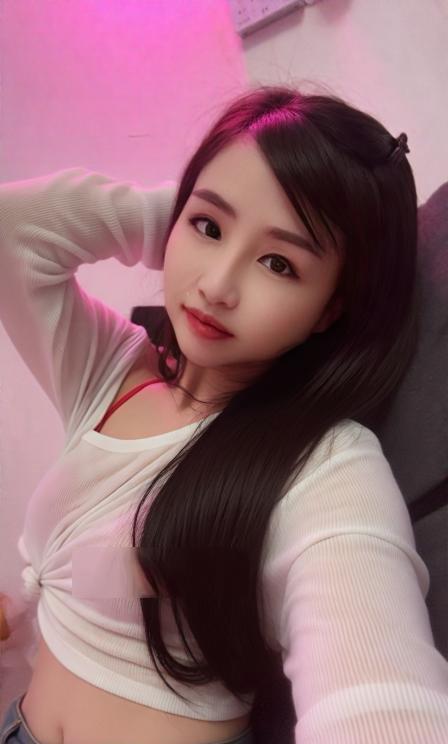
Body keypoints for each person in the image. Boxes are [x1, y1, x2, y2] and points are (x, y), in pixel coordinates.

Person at [0, 84, 447, 744]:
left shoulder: (325, 462)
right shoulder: (111, 372)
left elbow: (379, 692)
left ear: (330, 308)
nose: (216, 286)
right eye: (207, 228)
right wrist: (201, 205)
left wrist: (224, 213)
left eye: (279, 263)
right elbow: (13, 231)